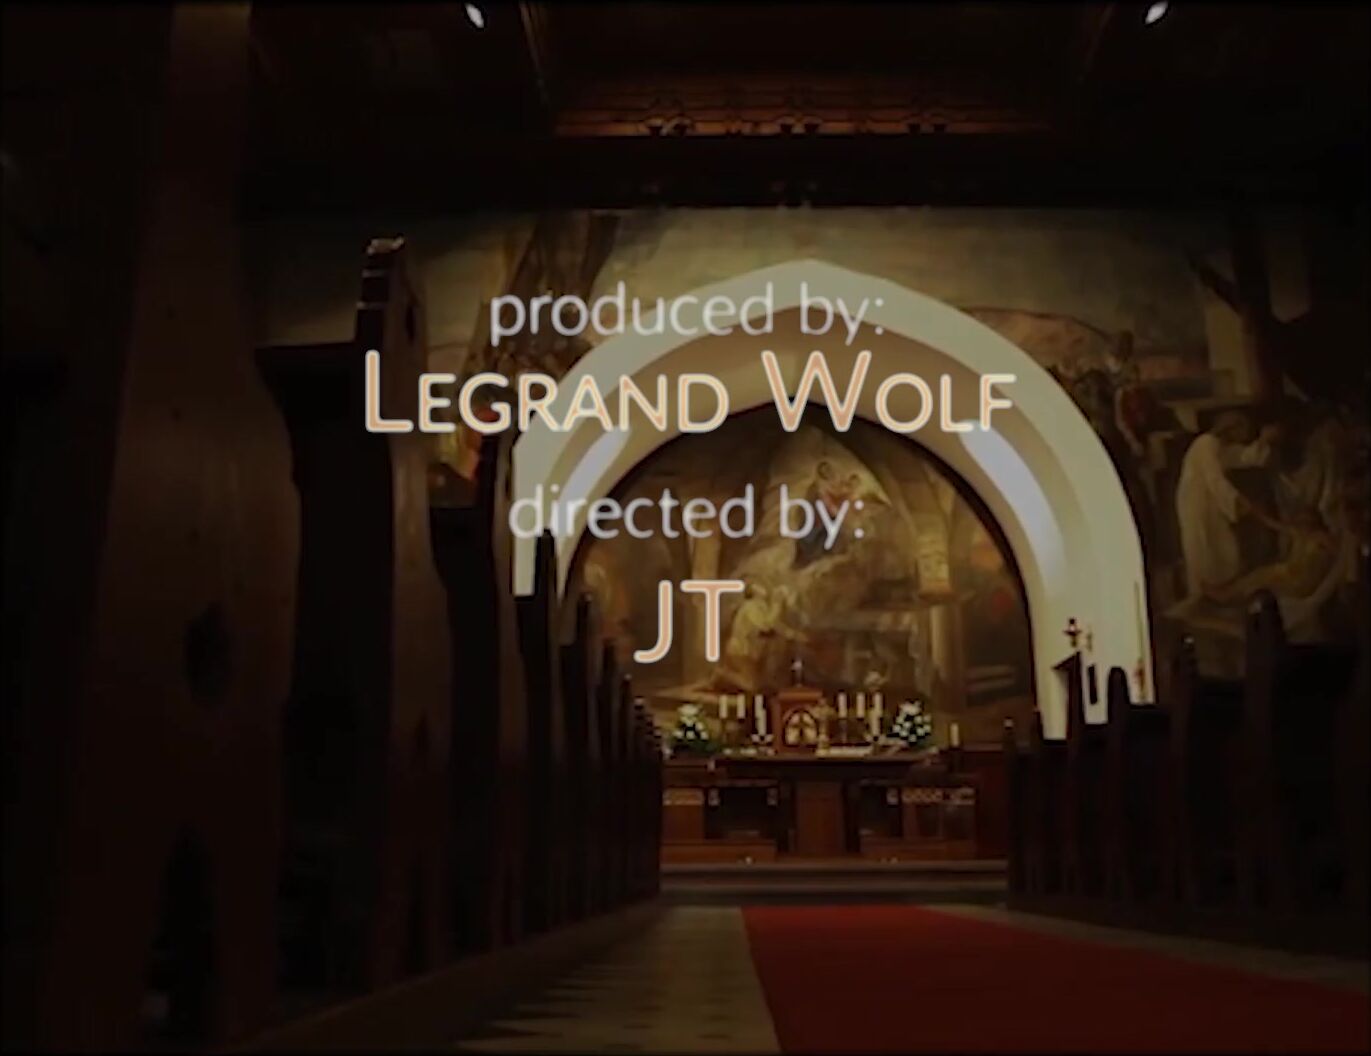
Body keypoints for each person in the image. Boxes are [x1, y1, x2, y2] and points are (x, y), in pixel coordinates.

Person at [1175, 410, 1279, 600]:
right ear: (1230, 428)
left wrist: (1264, 441)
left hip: (1211, 503)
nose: (1243, 436)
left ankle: (1219, 593)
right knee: (1203, 547)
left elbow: (1245, 457)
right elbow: (1215, 479)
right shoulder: (1206, 443)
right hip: (1197, 505)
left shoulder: (1221, 447)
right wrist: (1237, 501)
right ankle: (1201, 595)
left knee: (1224, 548)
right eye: (1241, 430)